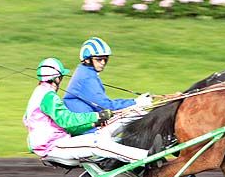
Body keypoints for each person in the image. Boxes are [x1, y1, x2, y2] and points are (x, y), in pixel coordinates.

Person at [23, 57, 154, 163]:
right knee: (98, 144)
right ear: (56, 78)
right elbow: (67, 121)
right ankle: (146, 157)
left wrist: (93, 123)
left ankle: (140, 148)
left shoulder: (39, 94)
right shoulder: (48, 97)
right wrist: (96, 116)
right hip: (53, 146)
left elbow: (67, 126)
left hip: (56, 142)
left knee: (104, 141)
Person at [63, 37, 152, 135]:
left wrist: (135, 103)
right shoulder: (87, 78)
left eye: (105, 59)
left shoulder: (86, 72)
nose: (103, 63)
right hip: (88, 131)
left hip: (92, 125)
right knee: (137, 114)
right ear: (87, 60)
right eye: (99, 59)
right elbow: (106, 106)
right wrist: (136, 103)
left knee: (136, 113)